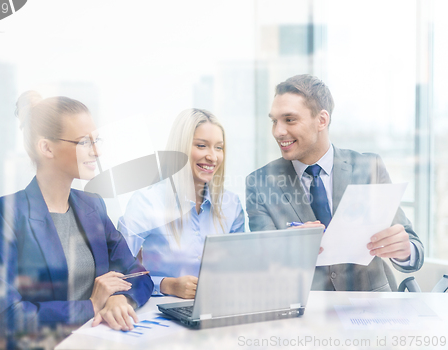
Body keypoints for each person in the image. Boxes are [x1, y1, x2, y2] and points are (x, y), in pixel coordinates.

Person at [0, 91, 153, 332]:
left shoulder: (93, 206)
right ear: (47, 148)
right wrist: (91, 305)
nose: (96, 151)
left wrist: (118, 298)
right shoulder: (5, 213)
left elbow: (138, 274)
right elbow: (4, 314)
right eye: (84, 142)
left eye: (97, 140)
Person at [246, 74, 424, 291]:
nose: (278, 131)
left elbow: (414, 250)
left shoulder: (369, 167)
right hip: (305, 312)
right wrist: (288, 249)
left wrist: (404, 251)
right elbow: (262, 263)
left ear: (322, 120)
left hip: (371, 307)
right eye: (274, 121)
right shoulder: (260, 182)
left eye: (289, 120)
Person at [118, 109, 245, 299]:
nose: (213, 156)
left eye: (219, 147)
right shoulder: (147, 202)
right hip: (161, 314)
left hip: (219, 307)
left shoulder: (231, 204)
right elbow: (118, 273)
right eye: (202, 146)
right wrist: (166, 284)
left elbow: (242, 268)